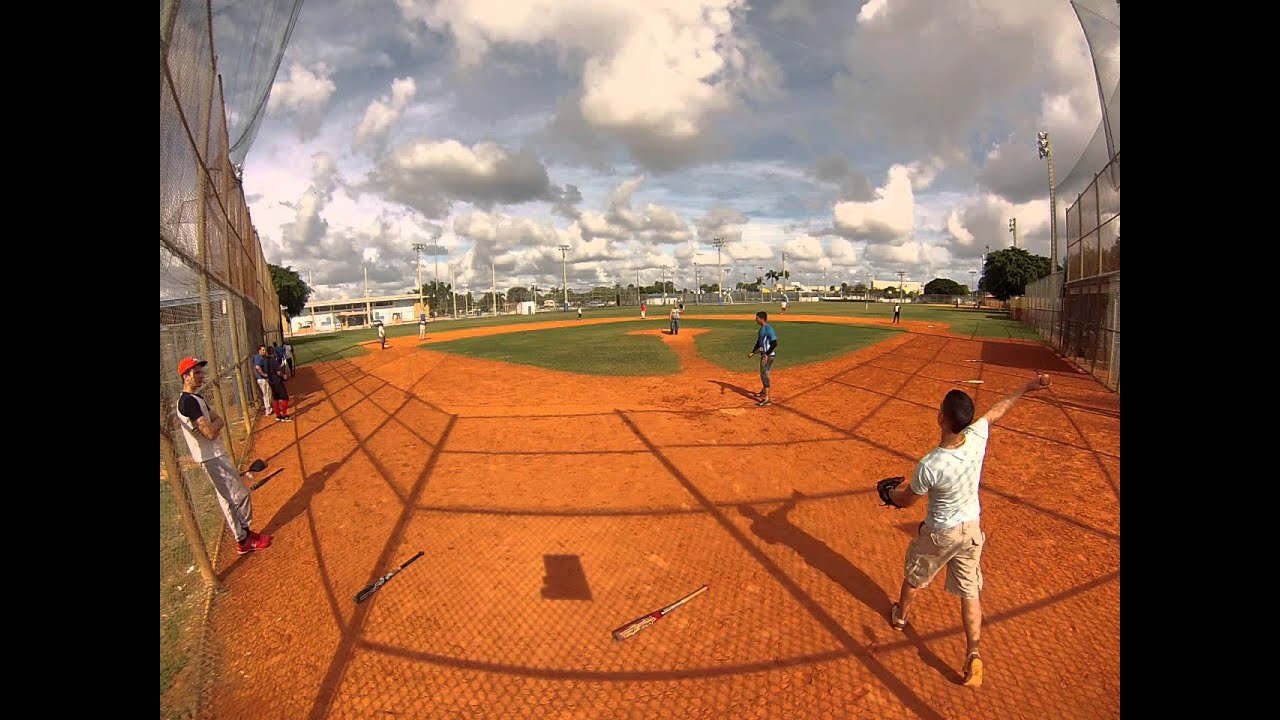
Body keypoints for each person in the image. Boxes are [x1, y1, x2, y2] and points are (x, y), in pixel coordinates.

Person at [884, 376, 1052, 687]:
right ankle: (973, 652)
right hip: (971, 530)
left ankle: (900, 617)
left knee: (915, 576)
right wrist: (1026, 388)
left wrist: (889, 493)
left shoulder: (930, 464)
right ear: (966, 421)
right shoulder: (976, 437)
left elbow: (906, 501)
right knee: (970, 592)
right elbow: (998, 410)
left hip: (940, 533)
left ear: (941, 418)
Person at [175, 357, 272, 555]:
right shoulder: (187, 402)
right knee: (238, 496)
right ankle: (243, 538)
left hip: (214, 453)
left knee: (230, 498)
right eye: (196, 372)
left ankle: (243, 536)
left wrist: (213, 426)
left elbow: (218, 421)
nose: (201, 375)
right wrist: (213, 426)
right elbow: (210, 433)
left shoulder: (196, 398)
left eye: (201, 371)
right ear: (186, 377)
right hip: (211, 457)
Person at [746, 311, 778, 407]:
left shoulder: (768, 329)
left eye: (757, 318)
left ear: (761, 319)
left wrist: (766, 354)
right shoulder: (761, 329)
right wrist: (753, 352)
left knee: (764, 374)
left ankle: (767, 399)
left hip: (769, 356)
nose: (755, 320)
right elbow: (759, 342)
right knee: (763, 373)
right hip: (765, 355)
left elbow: (774, 343)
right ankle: (764, 391)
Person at [266, 348, 293, 422]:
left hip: (271, 382)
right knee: (285, 397)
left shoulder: (266, 361)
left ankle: (278, 415)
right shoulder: (274, 361)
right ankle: (284, 415)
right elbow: (278, 372)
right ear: (273, 353)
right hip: (277, 382)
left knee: (276, 398)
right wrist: (283, 376)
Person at [252, 346, 273, 416]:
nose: (264, 351)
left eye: (265, 350)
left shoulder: (259, 357)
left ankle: (269, 407)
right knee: (266, 393)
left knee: (269, 392)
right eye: (263, 350)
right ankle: (268, 409)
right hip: (262, 378)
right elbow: (257, 367)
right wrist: (263, 374)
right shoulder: (259, 357)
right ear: (259, 351)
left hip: (262, 379)